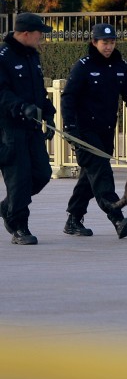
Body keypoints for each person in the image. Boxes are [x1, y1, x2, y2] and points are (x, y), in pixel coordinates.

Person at [61, 23, 127, 239]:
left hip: (106, 131)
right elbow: (68, 98)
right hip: (84, 132)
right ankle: (117, 217)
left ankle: (73, 219)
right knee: (102, 173)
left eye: (111, 42)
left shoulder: (120, 66)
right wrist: (70, 129)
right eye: (104, 42)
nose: (108, 47)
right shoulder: (83, 66)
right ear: (94, 43)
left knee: (91, 177)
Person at [0, 13, 56, 245]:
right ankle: (19, 227)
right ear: (25, 34)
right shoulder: (3, 57)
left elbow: (38, 91)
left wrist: (49, 115)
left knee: (42, 174)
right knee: (19, 180)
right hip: (9, 130)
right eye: (38, 34)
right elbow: (1, 93)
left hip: (32, 127)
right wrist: (21, 106)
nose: (41, 39)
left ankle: (9, 206)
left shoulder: (32, 57)